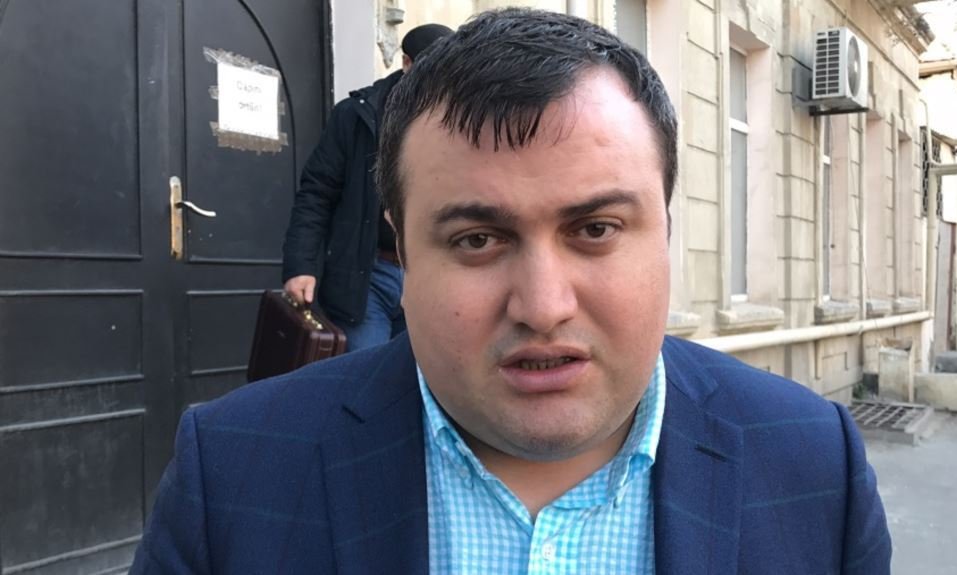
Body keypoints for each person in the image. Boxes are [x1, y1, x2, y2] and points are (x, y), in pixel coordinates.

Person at [131, 9, 891, 574]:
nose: (543, 305)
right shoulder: (232, 473)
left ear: (665, 227)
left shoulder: (812, 465)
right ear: (404, 247)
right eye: (476, 239)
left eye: (595, 228)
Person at [281, 23, 453, 351]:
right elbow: (316, 194)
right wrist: (300, 266)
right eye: (431, 70)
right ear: (406, 63)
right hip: (366, 277)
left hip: (429, 273)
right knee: (368, 371)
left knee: (420, 374)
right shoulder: (357, 115)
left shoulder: (460, 120)